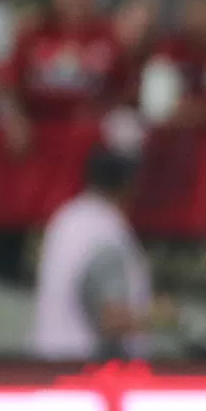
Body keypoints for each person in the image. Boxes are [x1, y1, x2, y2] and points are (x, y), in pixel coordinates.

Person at [32, 146, 177, 361]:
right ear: (128, 185)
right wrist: (160, 315)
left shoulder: (66, 218)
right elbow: (110, 318)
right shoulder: (105, 231)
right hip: (85, 370)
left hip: (46, 363)